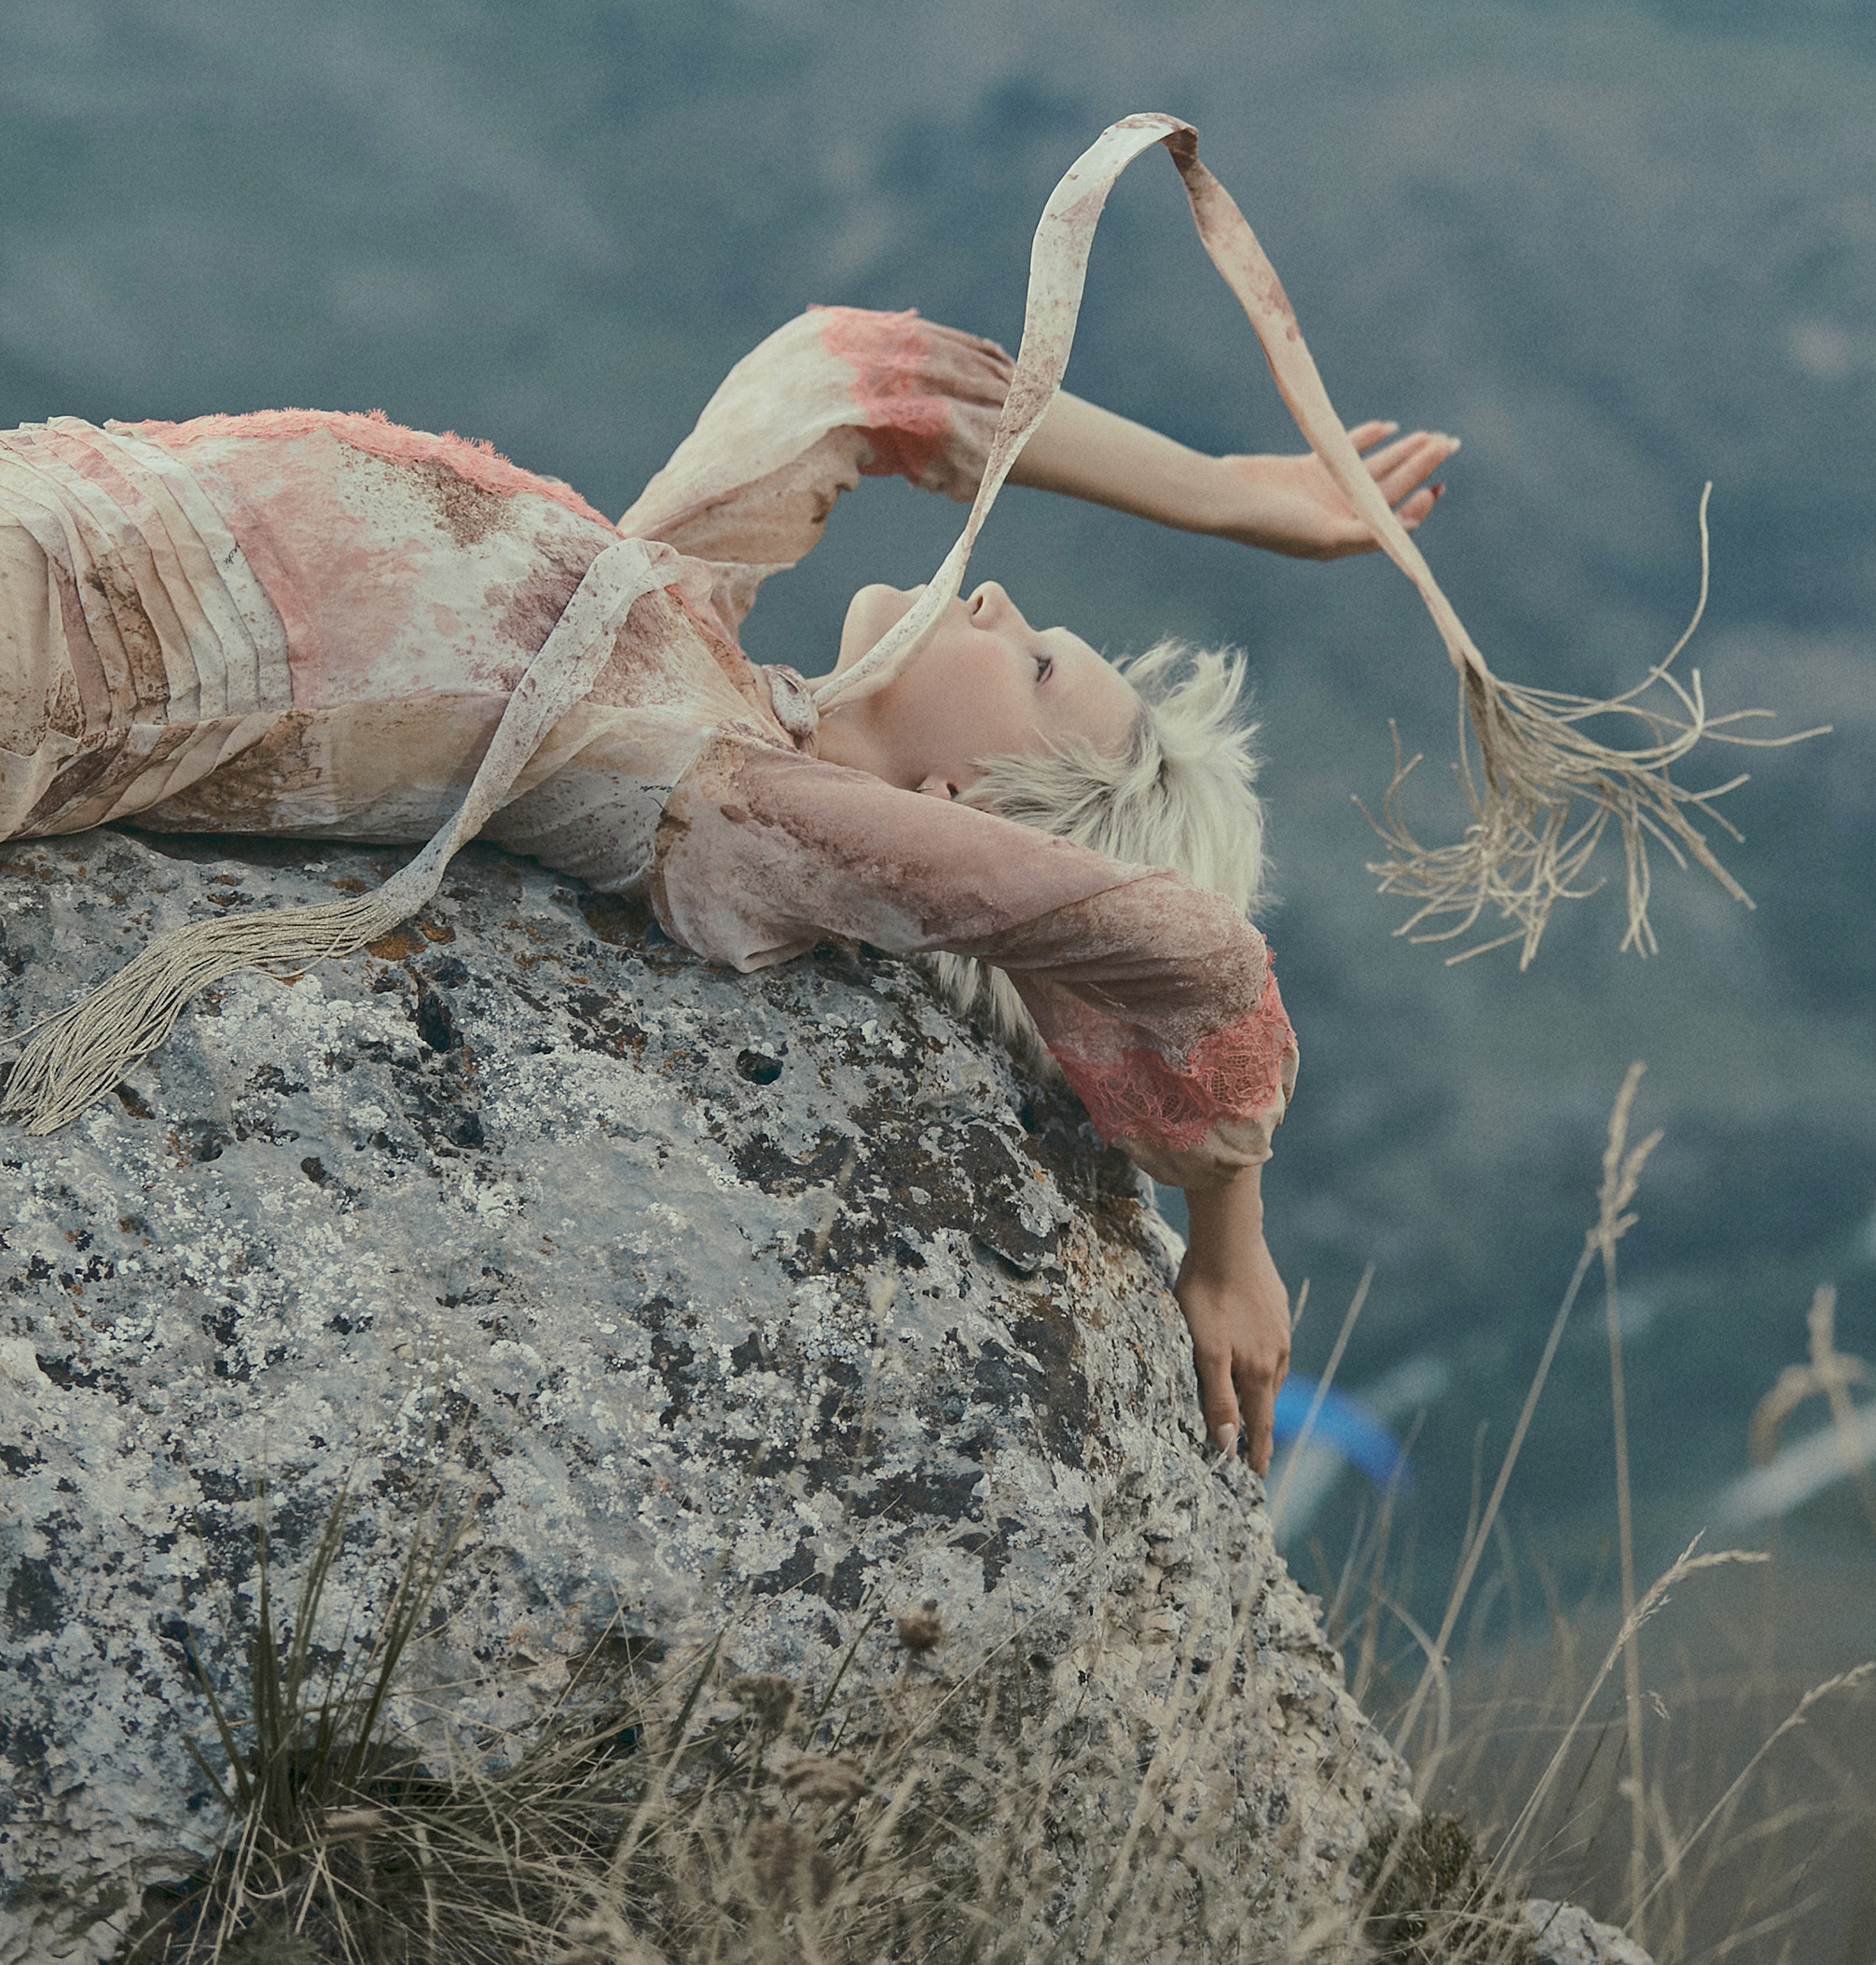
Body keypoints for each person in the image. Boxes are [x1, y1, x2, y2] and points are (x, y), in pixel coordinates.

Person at [0, 303, 1453, 1466]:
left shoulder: (738, 800)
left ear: (970, 818)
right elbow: (855, 371)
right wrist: (1240, 497)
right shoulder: (688, 609)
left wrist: (1229, 1241)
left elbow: (1203, 967)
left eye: (1037, 664)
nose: (1002, 598)